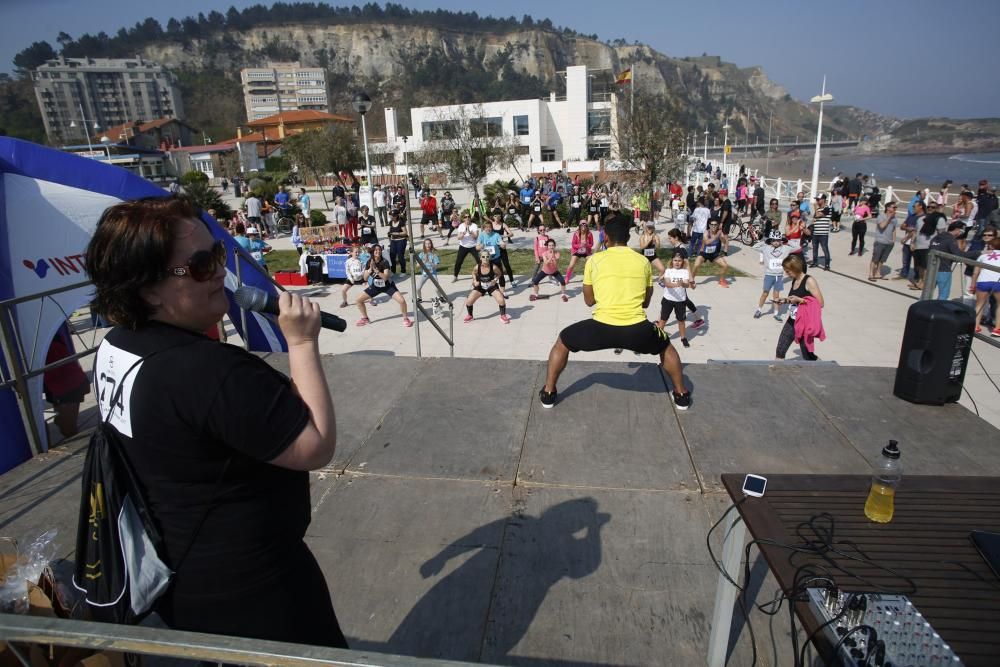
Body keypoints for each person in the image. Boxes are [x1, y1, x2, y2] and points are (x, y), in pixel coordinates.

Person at [84, 196, 347, 648]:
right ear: (147, 288)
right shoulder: (209, 373)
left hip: (181, 577)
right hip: (256, 590)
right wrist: (301, 342)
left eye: (219, 255)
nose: (221, 273)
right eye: (202, 265)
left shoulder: (116, 345)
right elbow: (316, 444)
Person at [537, 215, 690, 410]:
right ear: (627, 238)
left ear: (606, 238)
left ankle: (549, 393)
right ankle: (681, 395)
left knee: (562, 341)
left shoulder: (595, 260)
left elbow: (589, 301)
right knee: (666, 347)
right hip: (637, 330)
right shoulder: (643, 261)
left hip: (601, 329)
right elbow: (645, 302)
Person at [43, 324, 90, 439]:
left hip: (67, 387)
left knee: (68, 429)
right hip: (61, 387)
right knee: (66, 427)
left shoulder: (49, 341)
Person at [774, 254, 825, 361]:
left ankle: (819, 367)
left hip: (804, 323)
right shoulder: (795, 279)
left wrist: (800, 300)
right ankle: (777, 372)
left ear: (796, 268)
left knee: (808, 356)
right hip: (792, 320)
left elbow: (820, 303)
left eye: (788, 271)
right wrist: (784, 300)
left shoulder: (809, 280)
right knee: (780, 350)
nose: (786, 273)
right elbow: (795, 299)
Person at [356, 244, 412, 328]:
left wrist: (377, 271)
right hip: (376, 286)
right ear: (372, 252)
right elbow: (364, 278)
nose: (378, 251)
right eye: (376, 250)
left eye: (379, 250)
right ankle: (365, 318)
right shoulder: (369, 262)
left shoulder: (385, 262)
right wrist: (370, 270)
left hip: (387, 286)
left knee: (402, 301)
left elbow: (385, 277)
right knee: (358, 300)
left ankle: (405, 319)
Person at [463, 250, 511, 324]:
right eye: (483, 257)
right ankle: (470, 315)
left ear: (490, 258)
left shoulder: (494, 267)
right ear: (480, 258)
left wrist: (495, 280)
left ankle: (503, 315)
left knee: (501, 300)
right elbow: (473, 273)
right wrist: (475, 281)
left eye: (487, 256)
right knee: (469, 301)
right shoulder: (477, 267)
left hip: (491, 285)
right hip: (480, 286)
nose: (485, 258)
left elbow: (499, 274)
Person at [656, 252, 692, 348]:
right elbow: (667, 284)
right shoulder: (668, 271)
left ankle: (683, 338)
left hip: (680, 301)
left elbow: (686, 285)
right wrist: (678, 284)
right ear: (672, 261)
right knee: (663, 320)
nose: (677, 262)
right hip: (668, 300)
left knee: (681, 321)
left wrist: (683, 284)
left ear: (682, 261)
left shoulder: (685, 272)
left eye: (679, 260)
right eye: (675, 260)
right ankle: (657, 338)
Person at [753, 230, 792, 320]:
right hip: (769, 275)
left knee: (776, 295)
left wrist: (787, 241)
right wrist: (765, 241)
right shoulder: (766, 248)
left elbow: (797, 246)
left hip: (779, 276)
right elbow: (755, 247)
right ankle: (759, 309)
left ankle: (776, 313)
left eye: (778, 240)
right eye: (774, 240)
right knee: (765, 293)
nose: (776, 242)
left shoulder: (785, 248)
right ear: (771, 240)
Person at [928, 222, 968, 300]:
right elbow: (958, 254)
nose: (961, 234)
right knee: (943, 294)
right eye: (962, 231)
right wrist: (976, 253)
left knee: (927, 292)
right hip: (944, 270)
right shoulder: (951, 240)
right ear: (956, 230)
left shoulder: (937, 237)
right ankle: (938, 310)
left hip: (931, 268)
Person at [970, 234, 1000, 335]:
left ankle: (975, 326)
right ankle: (997, 329)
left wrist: (973, 285)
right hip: (998, 282)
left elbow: (975, 273)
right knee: (999, 305)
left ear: (991, 246)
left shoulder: (983, 256)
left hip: (983, 281)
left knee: (979, 304)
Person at [689, 221, 730, 288]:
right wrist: (717, 236)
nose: (713, 226)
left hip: (714, 254)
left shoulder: (719, 232)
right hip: (704, 253)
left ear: (717, 225)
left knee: (725, 265)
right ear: (709, 225)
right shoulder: (706, 232)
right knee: (696, 265)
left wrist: (722, 237)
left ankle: (721, 280)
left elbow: (724, 242)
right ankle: (691, 280)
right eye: (712, 224)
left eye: (715, 225)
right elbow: (707, 242)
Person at [530, 238, 568, 302]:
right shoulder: (544, 253)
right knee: (535, 281)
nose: (551, 247)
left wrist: (554, 257)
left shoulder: (557, 253)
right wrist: (551, 256)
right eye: (550, 245)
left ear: (554, 246)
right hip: (545, 271)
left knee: (563, 282)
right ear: (547, 246)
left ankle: (563, 294)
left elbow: (556, 265)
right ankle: (536, 295)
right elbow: (546, 263)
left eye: (552, 245)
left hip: (554, 271)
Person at [476, 217, 508, 291]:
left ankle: (503, 291)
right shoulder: (481, 235)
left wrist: (502, 244)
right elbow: (477, 247)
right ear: (484, 228)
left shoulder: (496, 235)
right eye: (486, 227)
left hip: (495, 257)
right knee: (482, 274)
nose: (488, 229)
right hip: (485, 259)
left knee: (500, 274)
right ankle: (481, 289)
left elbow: (501, 242)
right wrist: (480, 246)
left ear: (492, 228)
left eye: (490, 227)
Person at [868, 202, 898, 281]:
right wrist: (889, 217)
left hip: (889, 242)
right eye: (893, 207)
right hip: (880, 241)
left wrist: (893, 240)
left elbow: (894, 229)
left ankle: (878, 273)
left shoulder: (894, 218)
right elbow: (882, 226)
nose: (895, 209)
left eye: (896, 208)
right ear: (888, 208)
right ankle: (871, 274)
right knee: (875, 258)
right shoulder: (881, 216)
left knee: (882, 260)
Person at [452, 212, 480, 281]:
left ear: (470, 218)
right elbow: (458, 238)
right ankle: (455, 276)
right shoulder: (461, 226)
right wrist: (463, 233)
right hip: (463, 246)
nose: (467, 218)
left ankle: (482, 275)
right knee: (459, 262)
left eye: (468, 217)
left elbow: (475, 237)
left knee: (479, 261)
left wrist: (470, 232)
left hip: (473, 246)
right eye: (465, 217)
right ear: (463, 219)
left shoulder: (474, 225)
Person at [809, 194, 832, 271]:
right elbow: (814, 219)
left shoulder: (828, 208)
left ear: (823, 200)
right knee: (815, 248)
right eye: (816, 199)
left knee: (825, 248)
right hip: (815, 232)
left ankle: (827, 264)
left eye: (818, 199)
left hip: (823, 233)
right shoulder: (818, 209)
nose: (817, 201)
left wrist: (815, 207)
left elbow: (818, 215)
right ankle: (815, 262)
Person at [387, 210, 408, 276]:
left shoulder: (401, 222)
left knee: (400, 256)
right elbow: (389, 231)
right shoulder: (391, 222)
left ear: (396, 216)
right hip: (393, 241)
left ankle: (403, 271)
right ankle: (393, 271)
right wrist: (389, 238)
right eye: (390, 217)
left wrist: (397, 233)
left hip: (401, 240)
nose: (391, 218)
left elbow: (405, 232)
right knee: (392, 256)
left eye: (392, 217)